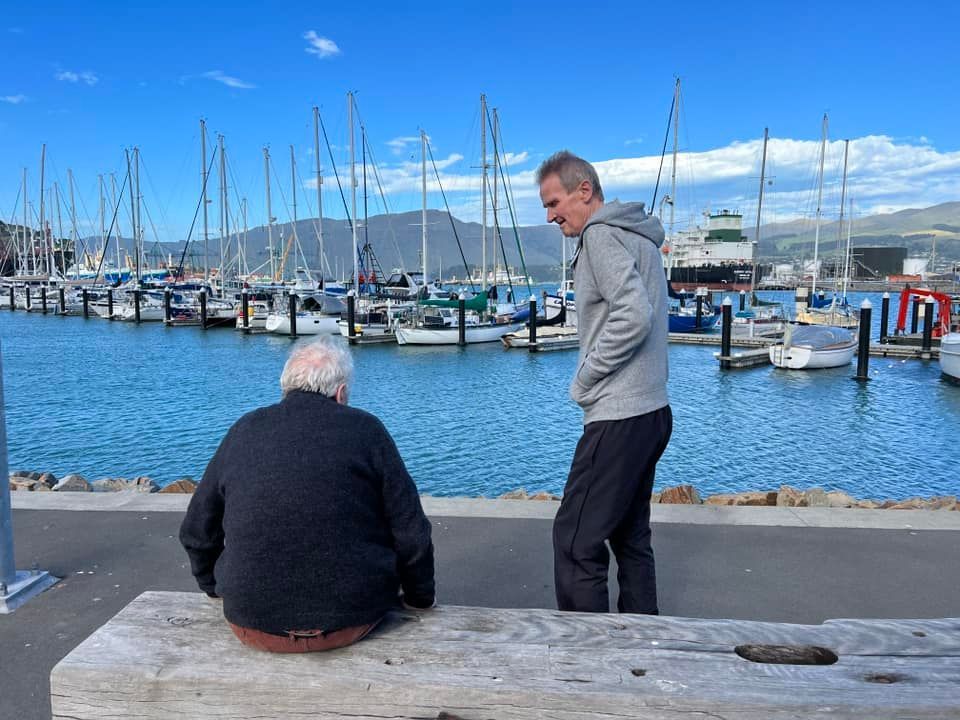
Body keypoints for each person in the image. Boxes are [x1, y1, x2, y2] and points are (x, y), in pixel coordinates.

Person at [179, 335, 435, 652]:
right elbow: (411, 532)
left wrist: (214, 587)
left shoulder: (245, 429)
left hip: (252, 623)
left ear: (285, 386)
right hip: (352, 620)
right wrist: (419, 597)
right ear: (341, 393)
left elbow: (196, 530)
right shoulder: (367, 431)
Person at [537, 150, 672, 615]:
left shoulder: (599, 235)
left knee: (574, 540)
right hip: (653, 412)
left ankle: (588, 660)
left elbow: (634, 315)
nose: (551, 215)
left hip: (620, 414)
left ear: (584, 190)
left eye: (554, 203)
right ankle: (640, 643)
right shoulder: (641, 238)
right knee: (631, 537)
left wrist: (586, 377)